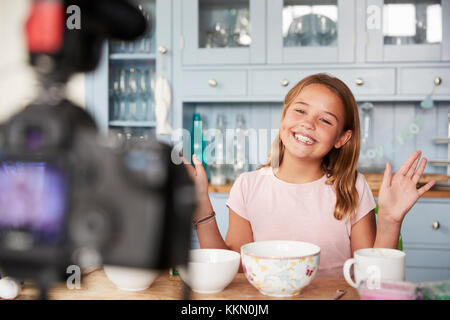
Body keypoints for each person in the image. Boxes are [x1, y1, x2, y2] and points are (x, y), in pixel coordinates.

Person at [183, 73, 435, 278]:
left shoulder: (352, 187)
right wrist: (200, 202)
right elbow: (235, 271)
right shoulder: (247, 186)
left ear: (342, 138)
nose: (308, 123)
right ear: (284, 115)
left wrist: (390, 220)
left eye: (325, 120)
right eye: (300, 111)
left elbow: (370, 279)